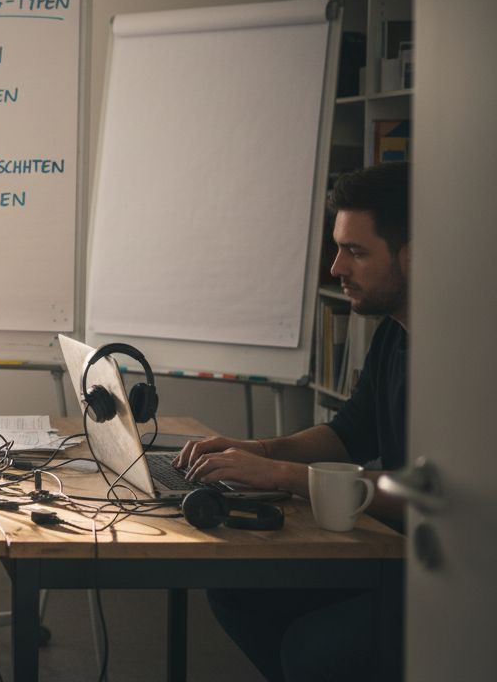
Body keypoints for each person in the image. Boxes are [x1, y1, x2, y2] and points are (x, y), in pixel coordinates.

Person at [174, 162, 409, 682]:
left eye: (357, 251)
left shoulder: (470, 353)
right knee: (237, 591)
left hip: (453, 574)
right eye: (338, 248)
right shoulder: (395, 331)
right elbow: (348, 433)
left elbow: (438, 493)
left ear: (414, 256)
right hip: (395, 551)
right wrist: (261, 450)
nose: (336, 269)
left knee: (313, 649)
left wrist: (284, 478)